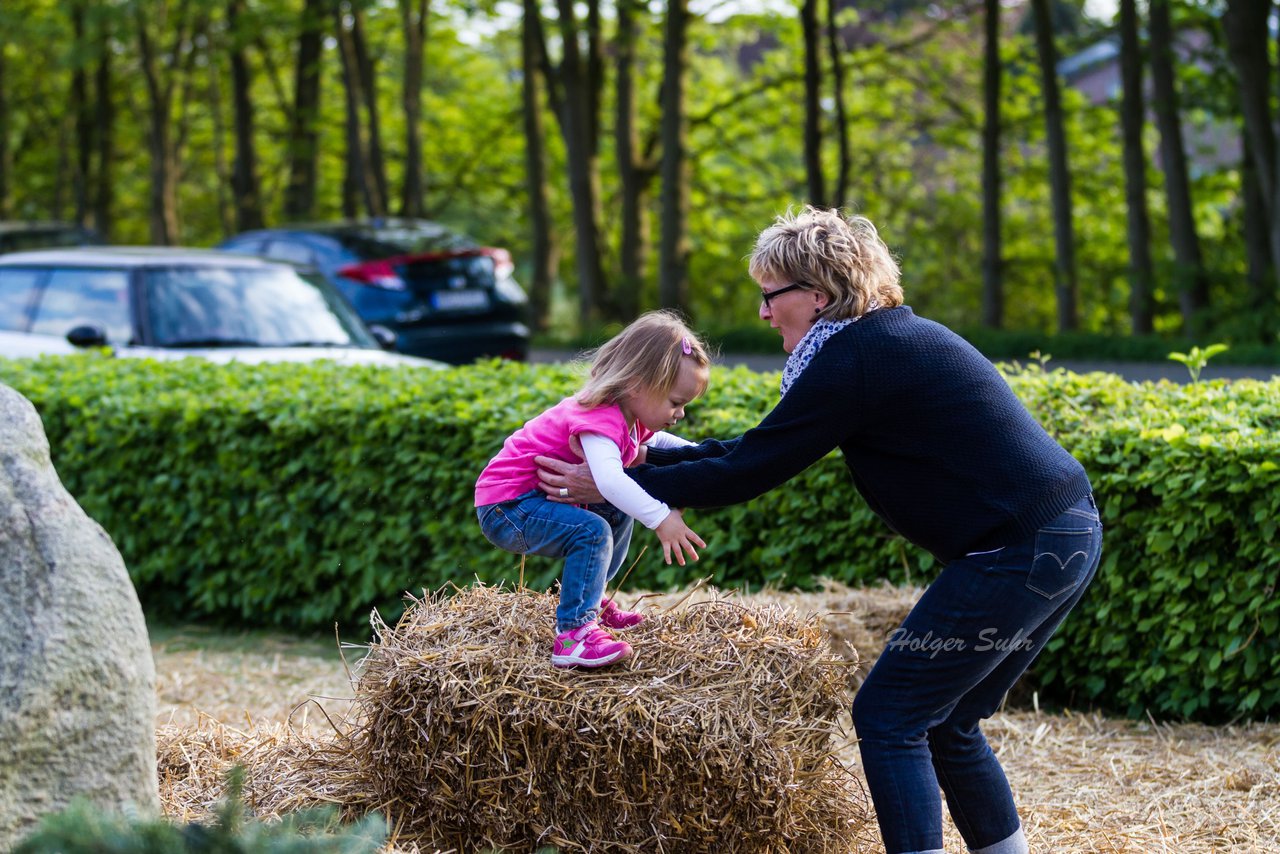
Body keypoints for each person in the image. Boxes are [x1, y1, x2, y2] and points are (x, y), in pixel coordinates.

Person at [535, 207, 1103, 853]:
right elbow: (753, 448)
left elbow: (748, 471)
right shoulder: (877, 343)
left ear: (818, 295)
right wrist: (634, 460)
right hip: (1062, 537)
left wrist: (617, 485)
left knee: (889, 718)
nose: (762, 312)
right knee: (950, 721)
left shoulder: (858, 357)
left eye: (769, 294)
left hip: (1018, 552)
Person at [475, 310, 712, 670]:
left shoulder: (629, 416)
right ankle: (573, 635)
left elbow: (662, 443)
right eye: (675, 402)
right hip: (507, 508)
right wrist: (662, 519)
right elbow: (610, 481)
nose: (679, 413)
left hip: (525, 501)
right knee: (593, 529)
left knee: (614, 514)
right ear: (637, 384)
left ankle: (590, 602)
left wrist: (702, 454)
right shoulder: (600, 418)